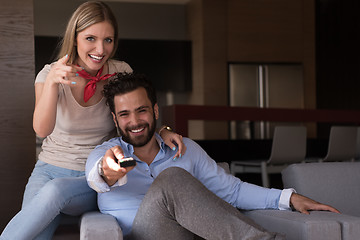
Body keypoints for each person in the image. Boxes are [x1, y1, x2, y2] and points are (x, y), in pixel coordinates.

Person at [0, 2, 185, 240]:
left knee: (56, 191)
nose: (100, 48)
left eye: (108, 40)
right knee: (33, 232)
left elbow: (135, 115)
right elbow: (42, 129)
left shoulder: (120, 72)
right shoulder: (49, 74)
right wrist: (53, 84)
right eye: (90, 38)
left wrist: (162, 130)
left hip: (93, 174)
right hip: (47, 171)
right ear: (74, 37)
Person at [85, 72, 340, 239]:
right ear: (115, 119)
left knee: (182, 177)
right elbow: (95, 175)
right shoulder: (105, 153)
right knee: (173, 177)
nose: (135, 121)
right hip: (145, 235)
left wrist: (289, 197)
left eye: (141, 111)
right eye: (125, 114)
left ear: (155, 110)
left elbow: (233, 191)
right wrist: (108, 171)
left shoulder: (184, 150)